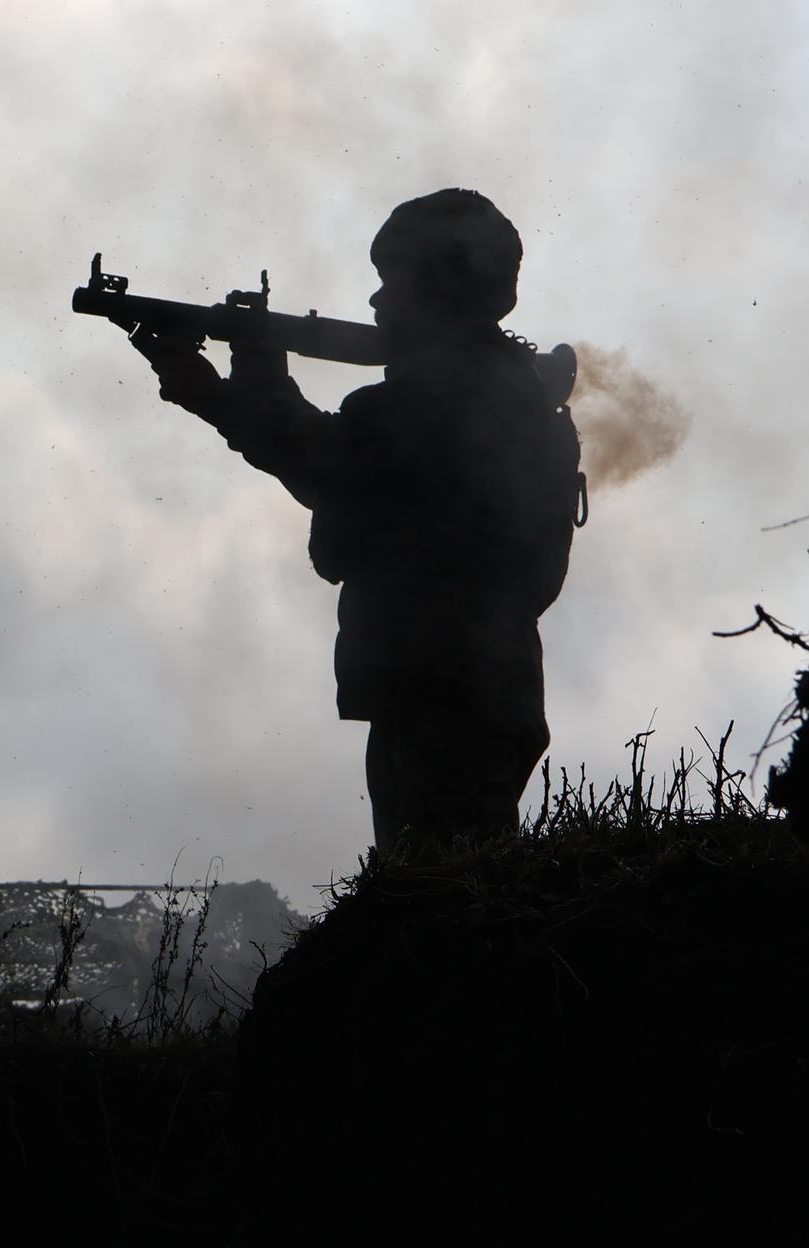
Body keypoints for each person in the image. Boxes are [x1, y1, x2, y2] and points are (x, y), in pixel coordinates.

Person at [127, 189, 580, 852]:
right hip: (479, 683)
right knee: (460, 877)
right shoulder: (506, 388)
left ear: (440, 284)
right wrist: (217, 392)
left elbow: (325, 463)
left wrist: (252, 364)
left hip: (442, 687)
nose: (376, 302)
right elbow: (352, 481)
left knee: (437, 895)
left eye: (393, 281)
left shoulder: (447, 396)